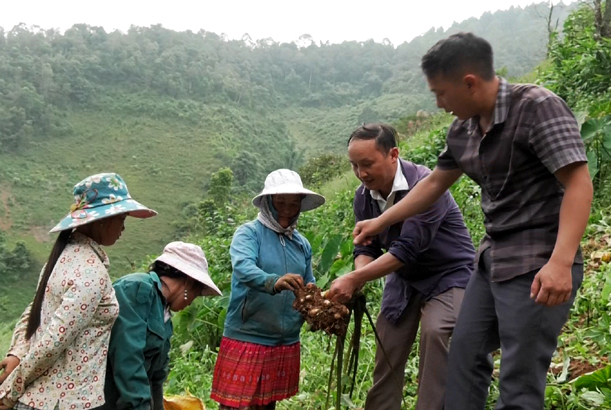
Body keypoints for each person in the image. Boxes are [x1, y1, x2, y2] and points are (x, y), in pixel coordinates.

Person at [352, 32, 593, 410]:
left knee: (519, 377)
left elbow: (578, 183)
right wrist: (381, 221)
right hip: (491, 260)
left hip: (537, 260)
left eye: (441, 93)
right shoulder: (463, 130)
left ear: (469, 82)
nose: (438, 103)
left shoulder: (536, 106)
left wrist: (561, 262)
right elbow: (434, 183)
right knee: (463, 355)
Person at [326, 123, 474, 410]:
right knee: (387, 344)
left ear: (393, 154)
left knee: (436, 332)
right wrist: (358, 277)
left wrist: (355, 277)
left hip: (450, 274)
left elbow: (406, 249)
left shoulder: (426, 186)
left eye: (367, 164)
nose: (361, 173)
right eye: (354, 166)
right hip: (405, 280)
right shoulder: (363, 196)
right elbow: (366, 245)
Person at [0, 173, 157, 410]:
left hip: (41, 399)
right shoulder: (90, 272)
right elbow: (54, 341)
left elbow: (33, 313)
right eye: (121, 217)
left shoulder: (60, 259)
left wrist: (17, 353)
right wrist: (10, 391)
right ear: (102, 220)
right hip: (66, 401)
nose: (124, 227)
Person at [210, 169, 325, 410]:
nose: (287, 208)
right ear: (267, 202)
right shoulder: (249, 234)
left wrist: (318, 301)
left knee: (266, 405)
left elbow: (308, 281)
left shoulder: (301, 243)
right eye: (280, 202)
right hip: (249, 336)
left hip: (284, 339)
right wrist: (273, 281)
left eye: (293, 203)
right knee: (237, 406)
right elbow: (243, 267)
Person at [96, 241, 222, 410]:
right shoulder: (137, 290)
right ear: (188, 283)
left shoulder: (164, 317)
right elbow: (128, 360)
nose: (192, 301)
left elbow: (155, 378)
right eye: (196, 293)